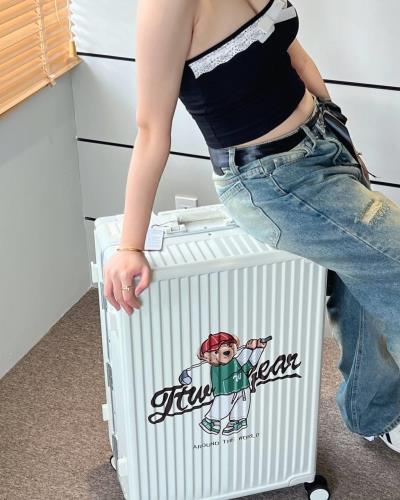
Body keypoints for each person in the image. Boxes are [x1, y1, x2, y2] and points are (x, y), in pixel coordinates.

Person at [102, 0, 400, 453]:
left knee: (364, 281)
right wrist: (129, 246)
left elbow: (294, 55)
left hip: (325, 140)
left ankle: (376, 413)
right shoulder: (168, 5)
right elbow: (150, 129)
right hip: (272, 181)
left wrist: (342, 138)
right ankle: (378, 412)